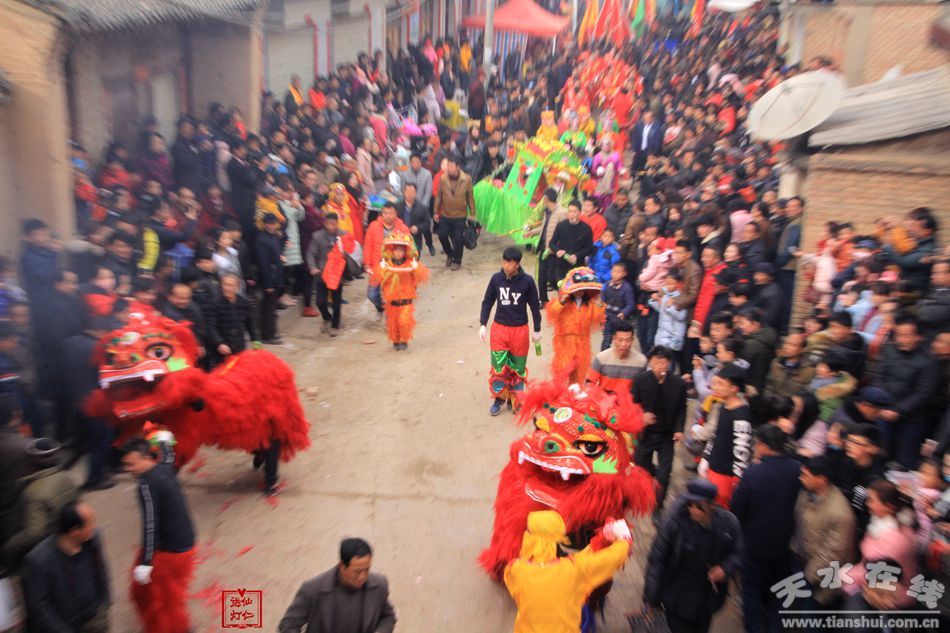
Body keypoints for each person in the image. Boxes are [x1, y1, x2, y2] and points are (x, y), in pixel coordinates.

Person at [503, 511, 631, 633]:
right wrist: (624, 539)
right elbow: (609, 559)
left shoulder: (515, 569)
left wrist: (601, 538)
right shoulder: (574, 569)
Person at [643, 478, 743, 633]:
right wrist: (651, 598)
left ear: (712, 506)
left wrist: (725, 568)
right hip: (677, 596)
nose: (693, 510)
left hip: (707, 600)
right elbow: (657, 559)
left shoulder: (728, 524)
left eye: (699, 507)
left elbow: (738, 553)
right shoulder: (675, 522)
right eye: (690, 505)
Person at [729, 424, 802, 633]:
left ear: (763, 445)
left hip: (754, 544)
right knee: (778, 591)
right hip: (784, 544)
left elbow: (737, 509)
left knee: (751, 590)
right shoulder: (797, 469)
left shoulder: (753, 473)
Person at [123, 438, 197, 633]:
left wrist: (146, 563)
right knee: (158, 595)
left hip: (170, 553)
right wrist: (163, 438)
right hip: (186, 542)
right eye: (126, 465)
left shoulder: (145, 485)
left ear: (147, 458)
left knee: (164, 604)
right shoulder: (164, 467)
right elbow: (170, 455)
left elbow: (150, 526)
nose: (128, 469)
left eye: (131, 464)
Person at [22, 502, 110, 633]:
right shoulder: (39, 560)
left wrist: (104, 605)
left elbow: (102, 570)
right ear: (74, 531)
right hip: (65, 626)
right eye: (90, 524)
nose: (94, 527)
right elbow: (39, 606)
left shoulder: (93, 538)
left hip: (95, 619)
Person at [278, 537, 396, 633]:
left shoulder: (379, 584)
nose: (362, 576)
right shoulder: (312, 589)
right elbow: (289, 624)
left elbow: (388, 616)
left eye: (367, 569)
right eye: (357, 571)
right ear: (342, 566)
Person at [867, 315, 939, 469]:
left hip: (912, 416)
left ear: (919, 337)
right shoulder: (889, 349)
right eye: (899, 335)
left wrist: (898, 410)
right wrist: (882, 402)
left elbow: (924, 393)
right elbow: (878, 376)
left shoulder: (929, 361)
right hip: (884, 408)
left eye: (907, 335)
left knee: (905, 462)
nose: (901, 339)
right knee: (878, 451)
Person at [479, 247, 543, 416]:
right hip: (499, 329)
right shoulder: (496, 279)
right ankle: (499, 398)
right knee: (498, 366)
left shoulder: (527, 282)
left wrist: (537, 329)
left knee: (517, 367)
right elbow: (487, 301)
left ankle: (516, 399)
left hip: (520, 331)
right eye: (504, 262)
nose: (506, 266)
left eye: (510, 263)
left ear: (518, 264)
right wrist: (483, 324)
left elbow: (534, 306)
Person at [0, 438, 79, 570]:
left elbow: (33, 533)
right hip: (68, 543)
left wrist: (9, 547)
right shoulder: (66, 477)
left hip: (49, 555)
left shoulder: (34, 492)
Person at [792, 455, 857, 609]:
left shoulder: (841, 514)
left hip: (818, 576)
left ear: (821, 479)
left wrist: (809, 577)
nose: (801, 478)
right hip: (800, 561)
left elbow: (833, 553)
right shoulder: (807, 494)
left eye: (806, 475)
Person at [633, 346, 688, 518]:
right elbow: (632, 403)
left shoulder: (678, 384)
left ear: (669, 364)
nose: (659, 366)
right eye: (655, 362)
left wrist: (679, 430)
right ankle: (642, 495)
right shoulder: (641, 380)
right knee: (641, 468)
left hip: (666, 435)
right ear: (650, 362)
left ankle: (657, 506)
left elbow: (682, 408)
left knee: (664, 475)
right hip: (646, 434)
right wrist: (641, 416)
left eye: (663, 362)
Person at [701, 362, 754, 507]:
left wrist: (737, 479)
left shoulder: (741, 415)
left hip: (726, 477)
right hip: (714, 468)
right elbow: (715, 435)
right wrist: (706, 457)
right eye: (716, 383)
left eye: (721, 384)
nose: (715, 387)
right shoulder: (723, 407)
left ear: (734, 388)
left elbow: (742, 452)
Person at [371, 233, 429, 351]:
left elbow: (420, 277)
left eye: (401, 251)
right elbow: (378, 279)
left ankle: (404, 340)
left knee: (404, 321)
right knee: (393, 323)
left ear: (405, 252)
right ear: (392, 251)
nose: (398, 253)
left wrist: (416, 267)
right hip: (392, 302)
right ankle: (396, 340)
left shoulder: (410, 265)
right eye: (396, 250)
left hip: (406, 300)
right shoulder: (387, 265)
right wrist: (381, 268)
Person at [364, 202, 410, 318]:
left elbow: (409, 248)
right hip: (376, 266)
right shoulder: (373, 226)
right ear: (382, 213)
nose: (388, 216)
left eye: (390, 213)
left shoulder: (403, 228)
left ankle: (390, 316)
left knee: (391, 294)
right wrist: (366, 263)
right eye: (385, 213)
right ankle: (380, 307)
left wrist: (408, 264)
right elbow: (368, 245)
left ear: (396, 213)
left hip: (394, 268)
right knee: (372, 294)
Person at [433, 155, 475, 270]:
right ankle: (450, 253)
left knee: (458, 239)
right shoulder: (443, 178)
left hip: (460, 215)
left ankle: (457, 261)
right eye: (448, 166)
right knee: (442, 235)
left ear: (458, 167)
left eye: (451, 166)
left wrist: (472, 213)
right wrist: (435, 211)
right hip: (445, 213)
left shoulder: (466, 179)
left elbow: (470, 197)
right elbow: (439, 196)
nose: (449, 169)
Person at [587, 321, 645, 395]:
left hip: (628, 401)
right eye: (620, 340)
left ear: (632, 340)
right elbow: (589, 384)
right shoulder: (601, 359)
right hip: (604, 400)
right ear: (614, 338)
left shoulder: (641, 362)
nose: (624, 344)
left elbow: (642, 389)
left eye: (628, 340)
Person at [548, 200, 594, 284]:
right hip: (561, 265)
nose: (572, 214)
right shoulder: (561, 225)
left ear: (580, 213)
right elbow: (552, 243)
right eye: (569, 211)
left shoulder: (586, 229)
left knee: (574, 289)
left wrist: (577, 255)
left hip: (577, 266)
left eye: (574, 212)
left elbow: (589, 249)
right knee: (561, 287)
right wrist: (557, 251)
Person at [255, 213, 284, 345]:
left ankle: (271, 333)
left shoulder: (274, 237)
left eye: (274, 223)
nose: (272, 226)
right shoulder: (262, 240)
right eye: (270, 223)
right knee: (268, 309)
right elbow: (263, 265)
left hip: (275, 276)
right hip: (269, 279)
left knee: (271, 309)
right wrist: (268, 284)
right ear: (265, 224)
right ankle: (267, 335)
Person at [600, 262, 635, 351]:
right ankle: (602, 356)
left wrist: (624, 312)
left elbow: (630, 304)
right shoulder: (607, 285)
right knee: (606, 339)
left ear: (624, 274)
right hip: (608, 317)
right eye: (614, 271)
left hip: (619, 319)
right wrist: (601, 311)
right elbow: (602, 300)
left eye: (618, 272)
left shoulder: (627, 288)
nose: (615, 274)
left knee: (620, 339)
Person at [398, 182, 434, 256]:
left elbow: (427, 223)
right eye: (407, 192)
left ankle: (430, 244)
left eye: (412, 192)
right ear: (404, 192)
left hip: (415, 241)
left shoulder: (422, 208)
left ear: (415, 193)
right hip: (400, 239)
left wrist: (418, 228)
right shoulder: (397, 206)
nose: (410, 194)